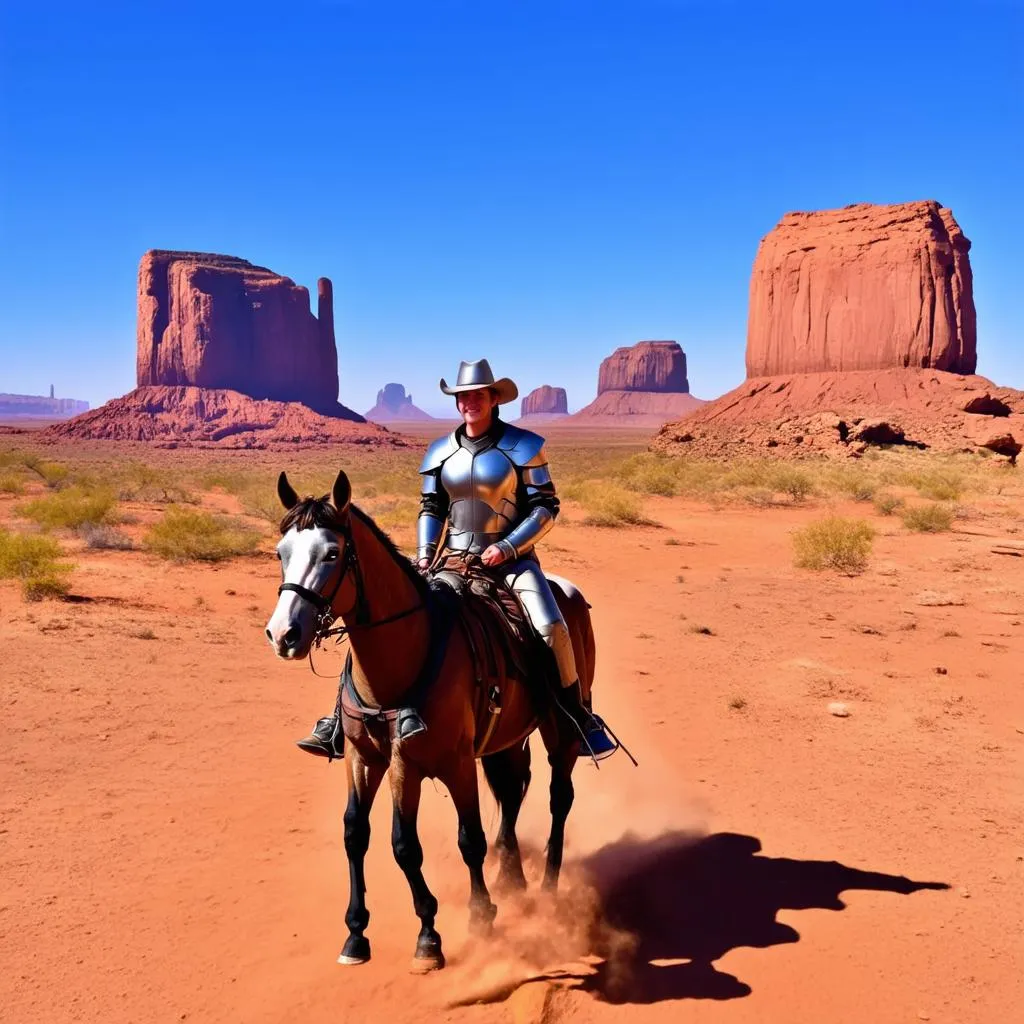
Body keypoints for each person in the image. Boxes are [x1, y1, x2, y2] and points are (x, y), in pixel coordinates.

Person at [296, 359, 616, 760]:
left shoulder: (524, 446)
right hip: (451, 560)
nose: (470, 402)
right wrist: (426, 555)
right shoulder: (440, 451)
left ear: (493, 399)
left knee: (551, 625)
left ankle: (577, 717)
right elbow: (431, 507)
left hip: (512, 563)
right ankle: (338, 722)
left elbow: (545, 508)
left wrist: (507, 547)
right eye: (463, 396)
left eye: (477, 395)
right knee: (382, 618)